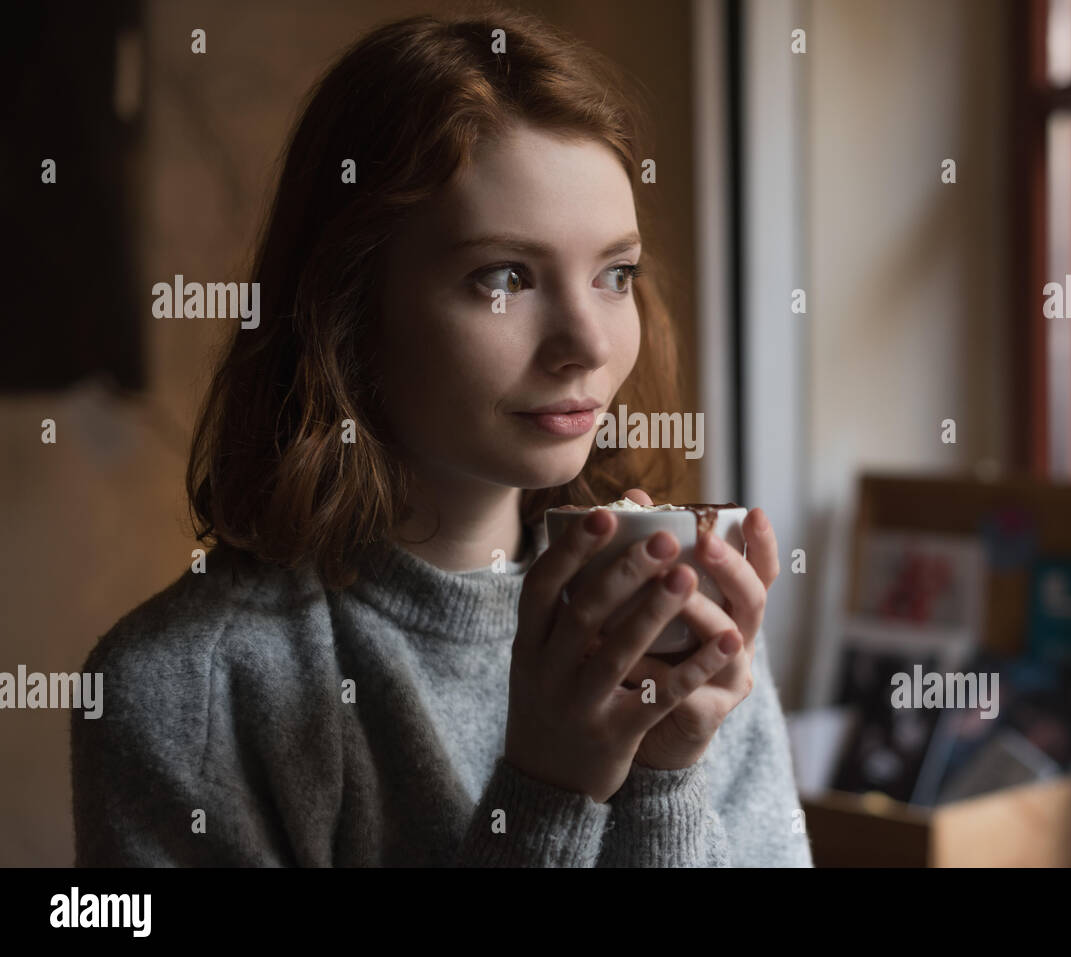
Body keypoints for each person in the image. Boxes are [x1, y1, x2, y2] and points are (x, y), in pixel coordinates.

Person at [71, 7, 812, 868]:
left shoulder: (682, 626)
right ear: (348, 309)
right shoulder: (179, 690)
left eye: (616, 274)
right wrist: (551, 793)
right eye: (505, 276)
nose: (590, 343)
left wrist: (667, 777)